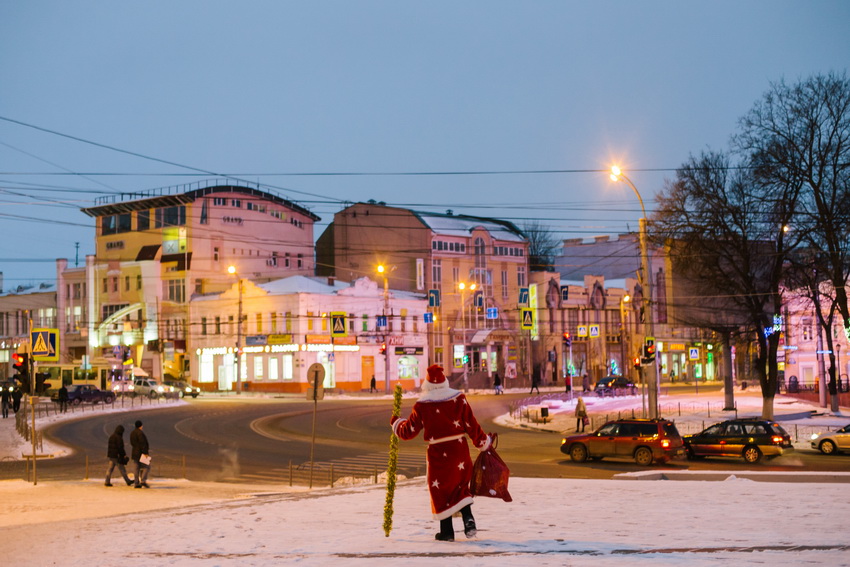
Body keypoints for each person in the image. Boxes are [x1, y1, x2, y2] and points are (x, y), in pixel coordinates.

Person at [391, 365, 491, 542]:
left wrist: (396, 423)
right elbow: (471, 424)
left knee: (441, 490)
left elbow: (409, 431)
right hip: (459, 449)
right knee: (461, 486)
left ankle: (446, 532)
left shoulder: (422, 405)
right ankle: (468, 519)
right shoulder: (458, 398)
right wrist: (482, 442)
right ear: (445, 381)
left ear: (427, 384)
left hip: (438, 453)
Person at [130, 420, 151, 488]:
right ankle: (143, 480)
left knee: (136, 468)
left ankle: (136, 483)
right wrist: (145, 453)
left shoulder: (132, 433)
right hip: (141, 453)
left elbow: (132, 443)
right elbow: (143, 443)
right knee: (147, 466)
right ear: (140, 426)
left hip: (134, 452)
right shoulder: (140, 433)